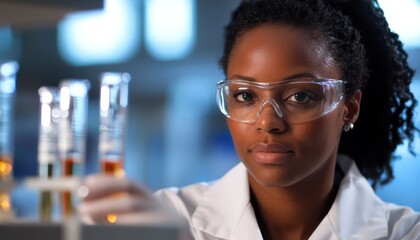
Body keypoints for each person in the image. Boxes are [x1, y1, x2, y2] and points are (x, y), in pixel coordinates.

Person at [78, 0, 420, 239]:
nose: (268, 122)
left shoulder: (404, 233)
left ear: (350, 108)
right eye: (245, 96)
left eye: (300, 96)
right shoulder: (168, 218)